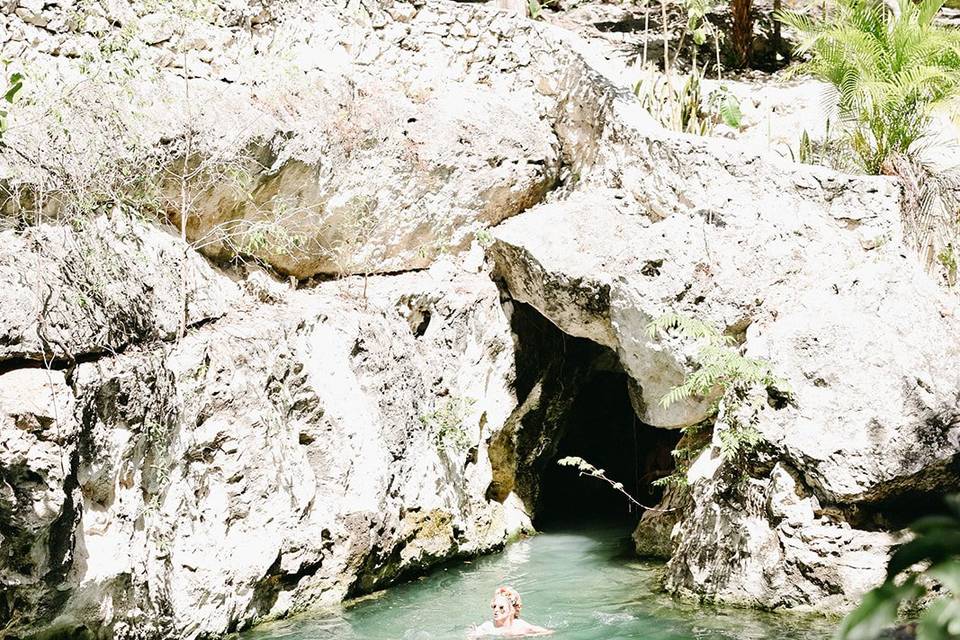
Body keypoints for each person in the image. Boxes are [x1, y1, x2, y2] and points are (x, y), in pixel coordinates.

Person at [467, 586, 553, 637]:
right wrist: (474, 636)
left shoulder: (520, 626)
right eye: (494, 606)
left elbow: (548, 632)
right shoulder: (487, 627)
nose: (496, 610)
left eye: (501, 607)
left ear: (511, 610)